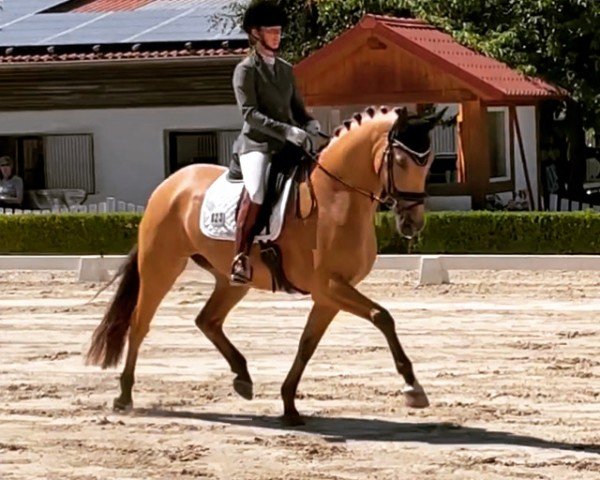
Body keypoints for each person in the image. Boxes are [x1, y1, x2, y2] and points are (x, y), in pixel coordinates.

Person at [229, 0, 320, 285]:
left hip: (287, 143)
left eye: (279, 31)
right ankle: (240, 257)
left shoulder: (285, 69)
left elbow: (297, 107)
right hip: (256, 145)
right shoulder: (245, 70)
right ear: (256, 34)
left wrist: (308, 122)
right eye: (271, 31)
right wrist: (286, 131)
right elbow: (250, 115)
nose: (277, 36)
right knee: (256, 191)